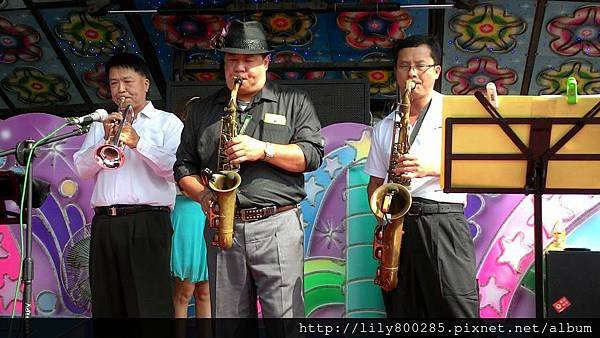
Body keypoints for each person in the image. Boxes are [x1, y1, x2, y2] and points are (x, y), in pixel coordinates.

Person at [173, 20, 323, 336]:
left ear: (266, 62)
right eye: (231, 60)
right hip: (222, 228)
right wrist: (203, 197)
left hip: (277, 227)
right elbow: (183, 168)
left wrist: (264, 150)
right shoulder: (203, 110)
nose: (239, 69)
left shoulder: (295, 102)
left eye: (248, 61)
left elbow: (312, 155)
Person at [364, 35, 480, 318]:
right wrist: (384, 220)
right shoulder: (385, 126)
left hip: (442, 219)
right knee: (402, 311)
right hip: (398, 224)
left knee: (457, 310)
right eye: (404, 66)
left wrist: (433, 167)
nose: (412, 73)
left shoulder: (458, 113)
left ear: (437, 71)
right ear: (396, 72)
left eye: (420, 65)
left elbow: (480, 168)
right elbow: (376, 183)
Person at [73, 52, 183, 318]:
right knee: (108, 306)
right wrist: (104, 142)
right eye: (113, 83)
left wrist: (138, 142)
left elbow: (176, 169)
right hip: (105, 224)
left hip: (147, 222)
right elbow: (82, 169)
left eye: (127, 81)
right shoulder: (101, 126)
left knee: (149, 305)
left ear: (145, 84)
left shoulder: (167, 122)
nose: (120, 90)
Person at [171, 97, 211, 319]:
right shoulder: (177, 142)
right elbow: (182, 184)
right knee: (184, 290)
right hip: (186, 213)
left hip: (210, 213)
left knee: (205, 291)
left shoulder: (213, 141)